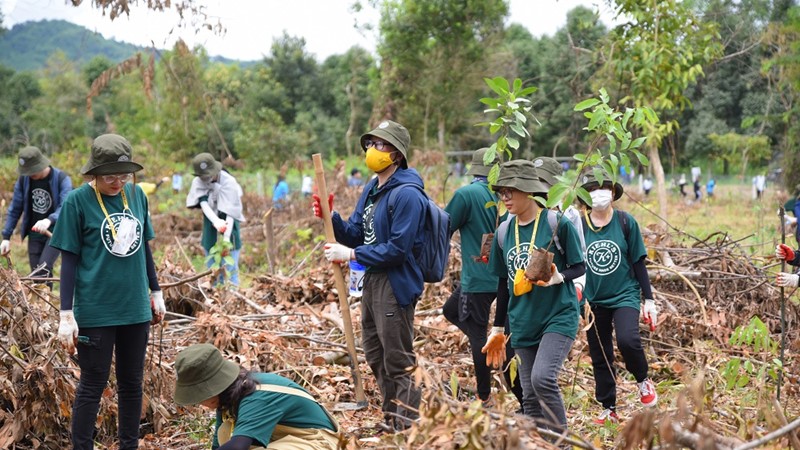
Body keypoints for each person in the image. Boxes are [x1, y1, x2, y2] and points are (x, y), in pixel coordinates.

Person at [49, 134, 165, 450]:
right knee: (93, 384)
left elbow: (144, 248)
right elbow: (68, 260)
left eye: (123, 175)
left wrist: (155, 291)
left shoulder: (136, 195)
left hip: (134, 307)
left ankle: (129, 445)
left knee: (132, 383)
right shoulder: (77, 201)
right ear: (95, 173)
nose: (117, 182)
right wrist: (66, 314)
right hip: (96, 309)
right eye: (110, 176)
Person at [312, 120, 426, 430]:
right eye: (370, 144)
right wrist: (332, 218)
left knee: (398, 358)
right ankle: (392, 417)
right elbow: (356, 233)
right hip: (372, 279)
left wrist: (351, 255)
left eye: (381, 144)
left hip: (395, 282)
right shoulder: (372, 189)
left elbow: (398, 249)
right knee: (375, 354)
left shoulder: (408, 194)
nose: (373, 150)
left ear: (397, 154)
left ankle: (408, 425)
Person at [481, 160, 585, 432]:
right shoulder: (504, 231)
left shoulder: (555, 223)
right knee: (528, 394)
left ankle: (561, 443)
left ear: (528, 190)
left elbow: (579, 266)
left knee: (542, 379)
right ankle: (541, 443)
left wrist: (558, 277)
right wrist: (498, 328)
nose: (505, 198)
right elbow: (503, 282)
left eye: (510, 191)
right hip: (523, 320)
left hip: (557, 315)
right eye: (501, 193)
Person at [442, 148, 523, 409]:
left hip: (476, 278)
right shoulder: (505, 196)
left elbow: (444, 226)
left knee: (476, 334)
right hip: (503, 277)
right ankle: (492, 344)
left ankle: (484, 396)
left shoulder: (466, 194)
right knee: (450, 310)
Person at [577, 168, 659, 425]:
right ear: (584, 195)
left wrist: (649, 300)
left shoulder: (625, 222)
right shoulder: (578, 225)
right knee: (600, 353)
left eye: (603, 188)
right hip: (592, 300)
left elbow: (638, 262)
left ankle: (643, 380)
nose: (598, 194)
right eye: (592, 190)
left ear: (613, 193)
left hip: (624, 294)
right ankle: (608, 407)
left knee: (628, 339)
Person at [174, 343, 340, 450]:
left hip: (320, 442)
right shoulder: (227, 399)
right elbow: (218, 446)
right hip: (288, 440)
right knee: (225, 433)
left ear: (213, 390)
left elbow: (238, 446)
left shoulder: (257, 396)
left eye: (199, 397)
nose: (200, 403)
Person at [1, 146, 72, 281]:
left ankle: (45, 294)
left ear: (41, 164)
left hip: (56, 232)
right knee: (36, 274)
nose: (29, 174)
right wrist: (6, 237)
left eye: (32, 171)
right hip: (34, 233)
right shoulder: (24, 180)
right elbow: (15, 208)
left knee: (43, 269)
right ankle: (44, 295)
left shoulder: (62, 179)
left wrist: (49, 220)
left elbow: (66, 206)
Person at [186, 153, 246, 287]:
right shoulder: (198, 182)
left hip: (229, 220)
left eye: (208, 175)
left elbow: (231, 211)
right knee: (212, 267)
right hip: (210, 221)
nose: (206, 179)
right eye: (203, 177)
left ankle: (232, 292)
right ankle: (214, 292)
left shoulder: (229, 181)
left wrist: (226, 239)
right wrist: (215, 221)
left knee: (230, 268)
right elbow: (203, 204)